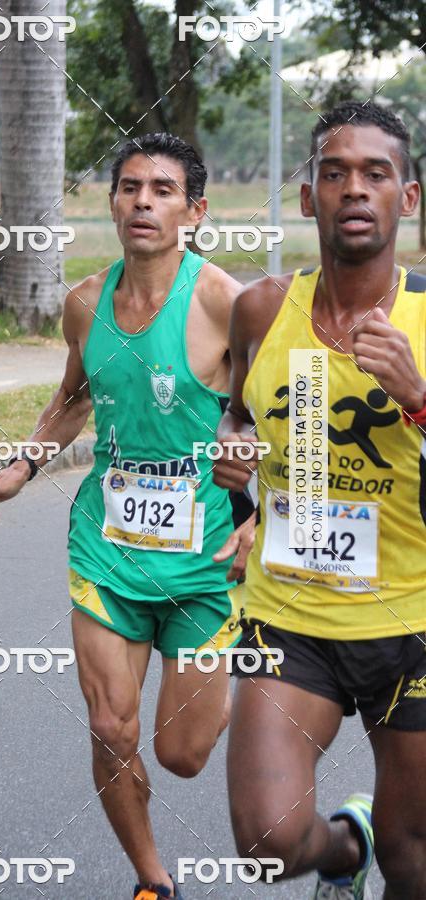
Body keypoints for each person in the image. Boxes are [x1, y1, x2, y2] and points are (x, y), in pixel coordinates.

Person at [0, 133, 251, 900]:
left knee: (182, 753)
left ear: (194, 210)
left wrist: (264, 513)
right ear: (113, 202)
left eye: (162, 190)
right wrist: (20, 467)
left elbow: (280, 418)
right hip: (107, 549)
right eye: (129, 187)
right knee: (110, 728)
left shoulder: (227, 302)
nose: (142, 202)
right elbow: (72, 400)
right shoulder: (84, 304)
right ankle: (152, 880)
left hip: (203, 561)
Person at [214, 100, 426, 899]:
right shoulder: (264, 309)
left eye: (377, 174)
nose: (355, 190)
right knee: (268, 843)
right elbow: (239, 407)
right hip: (290, 613)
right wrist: (233, 443)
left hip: (413, 620)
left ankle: (383, 843)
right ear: (308, 198)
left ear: (408, 197)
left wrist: (419, 398)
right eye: (333, 174)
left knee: (416, 860)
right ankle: (347, 847)